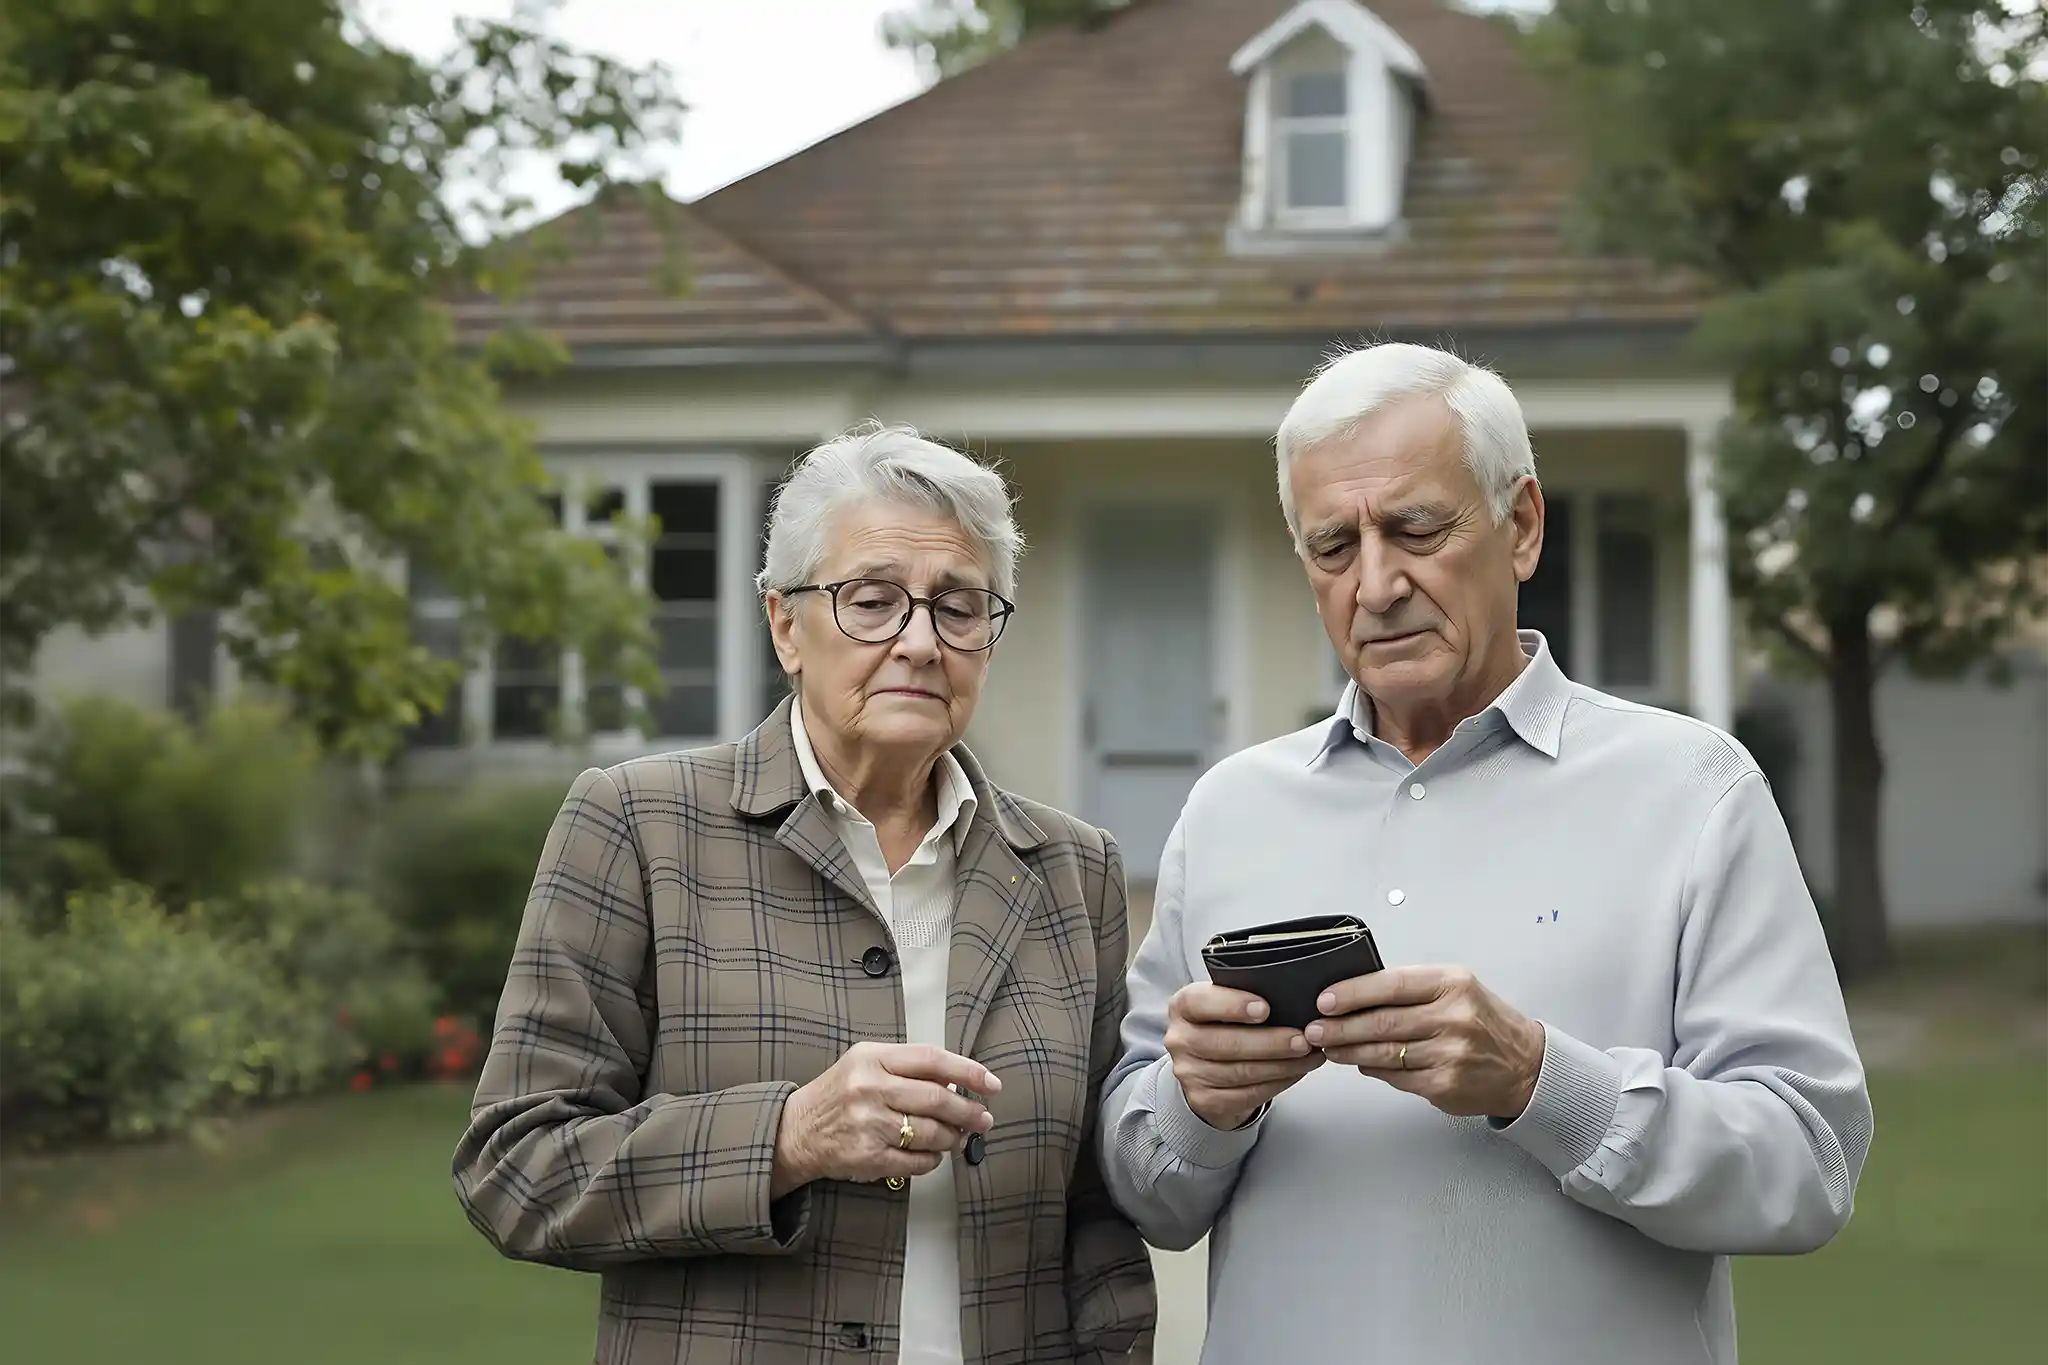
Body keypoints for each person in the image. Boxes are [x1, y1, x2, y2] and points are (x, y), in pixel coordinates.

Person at [1098, 343, 1872, 1364]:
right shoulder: (1229, 809)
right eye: (1333, 546)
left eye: (1415, 529)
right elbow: (1147, 1188)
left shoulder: (1692, 791)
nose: (1375, 584)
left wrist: (1537, 1081)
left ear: (1521, 527)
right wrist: (1197, 1102)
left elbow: (1805, 1169)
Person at [454, 421, 1156, 1365]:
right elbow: (517, 1168)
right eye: (873, 601)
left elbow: (1096, 1220)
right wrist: (787, 1136)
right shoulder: (639, 823)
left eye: (959, 606)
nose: (919, 640)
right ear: (785, 623)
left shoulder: (1074, 869)